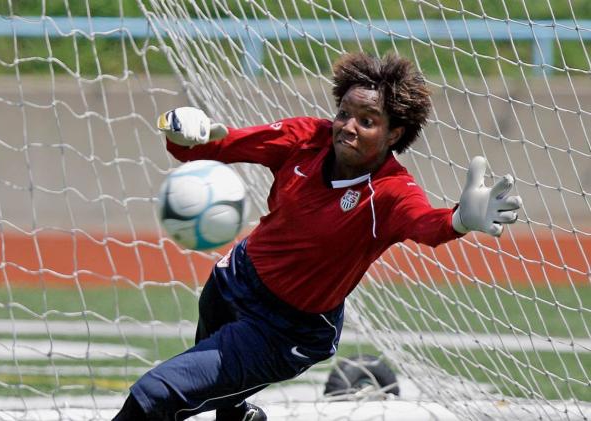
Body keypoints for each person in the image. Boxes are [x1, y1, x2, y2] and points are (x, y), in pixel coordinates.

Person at [113, 52, 522, 421]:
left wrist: (461, 220)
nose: (348, 127)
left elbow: (427, 225)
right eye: (344, 113)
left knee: (156, 394)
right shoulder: (305, 138)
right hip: (231, 281)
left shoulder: (390, 191)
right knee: (222, 402)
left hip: (284, 331)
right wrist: (187, 132)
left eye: (367, 121)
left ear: (394, 134)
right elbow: (208, 150)